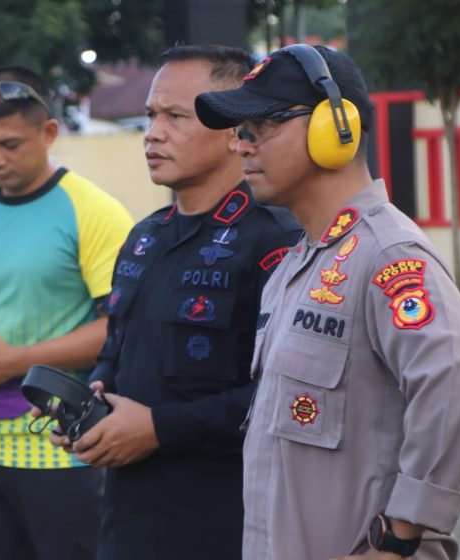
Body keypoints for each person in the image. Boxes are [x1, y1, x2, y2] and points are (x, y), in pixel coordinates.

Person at [194, 44, 460, 559]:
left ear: (336, 128)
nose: (241, 147)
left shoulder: (387, 253)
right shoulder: (295, 266)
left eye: (258, 127)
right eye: (238, 133)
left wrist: (398, 541)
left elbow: (458, 388)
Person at [49, 45, 303, 559]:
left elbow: (292, 399)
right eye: (149, 116)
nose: (152, 133)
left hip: (228, 530)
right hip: (127, 528)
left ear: (235, 130)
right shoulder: (144, 238)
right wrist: (93, 406)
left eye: (175, 117)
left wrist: (157, 429)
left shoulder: (278, 242)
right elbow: (119, 354)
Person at [0, 65, 133, 560]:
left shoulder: (93, 212)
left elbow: (121, 331)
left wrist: (15, 361)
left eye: (11, 144)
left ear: (49, 132)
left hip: (63, 449)